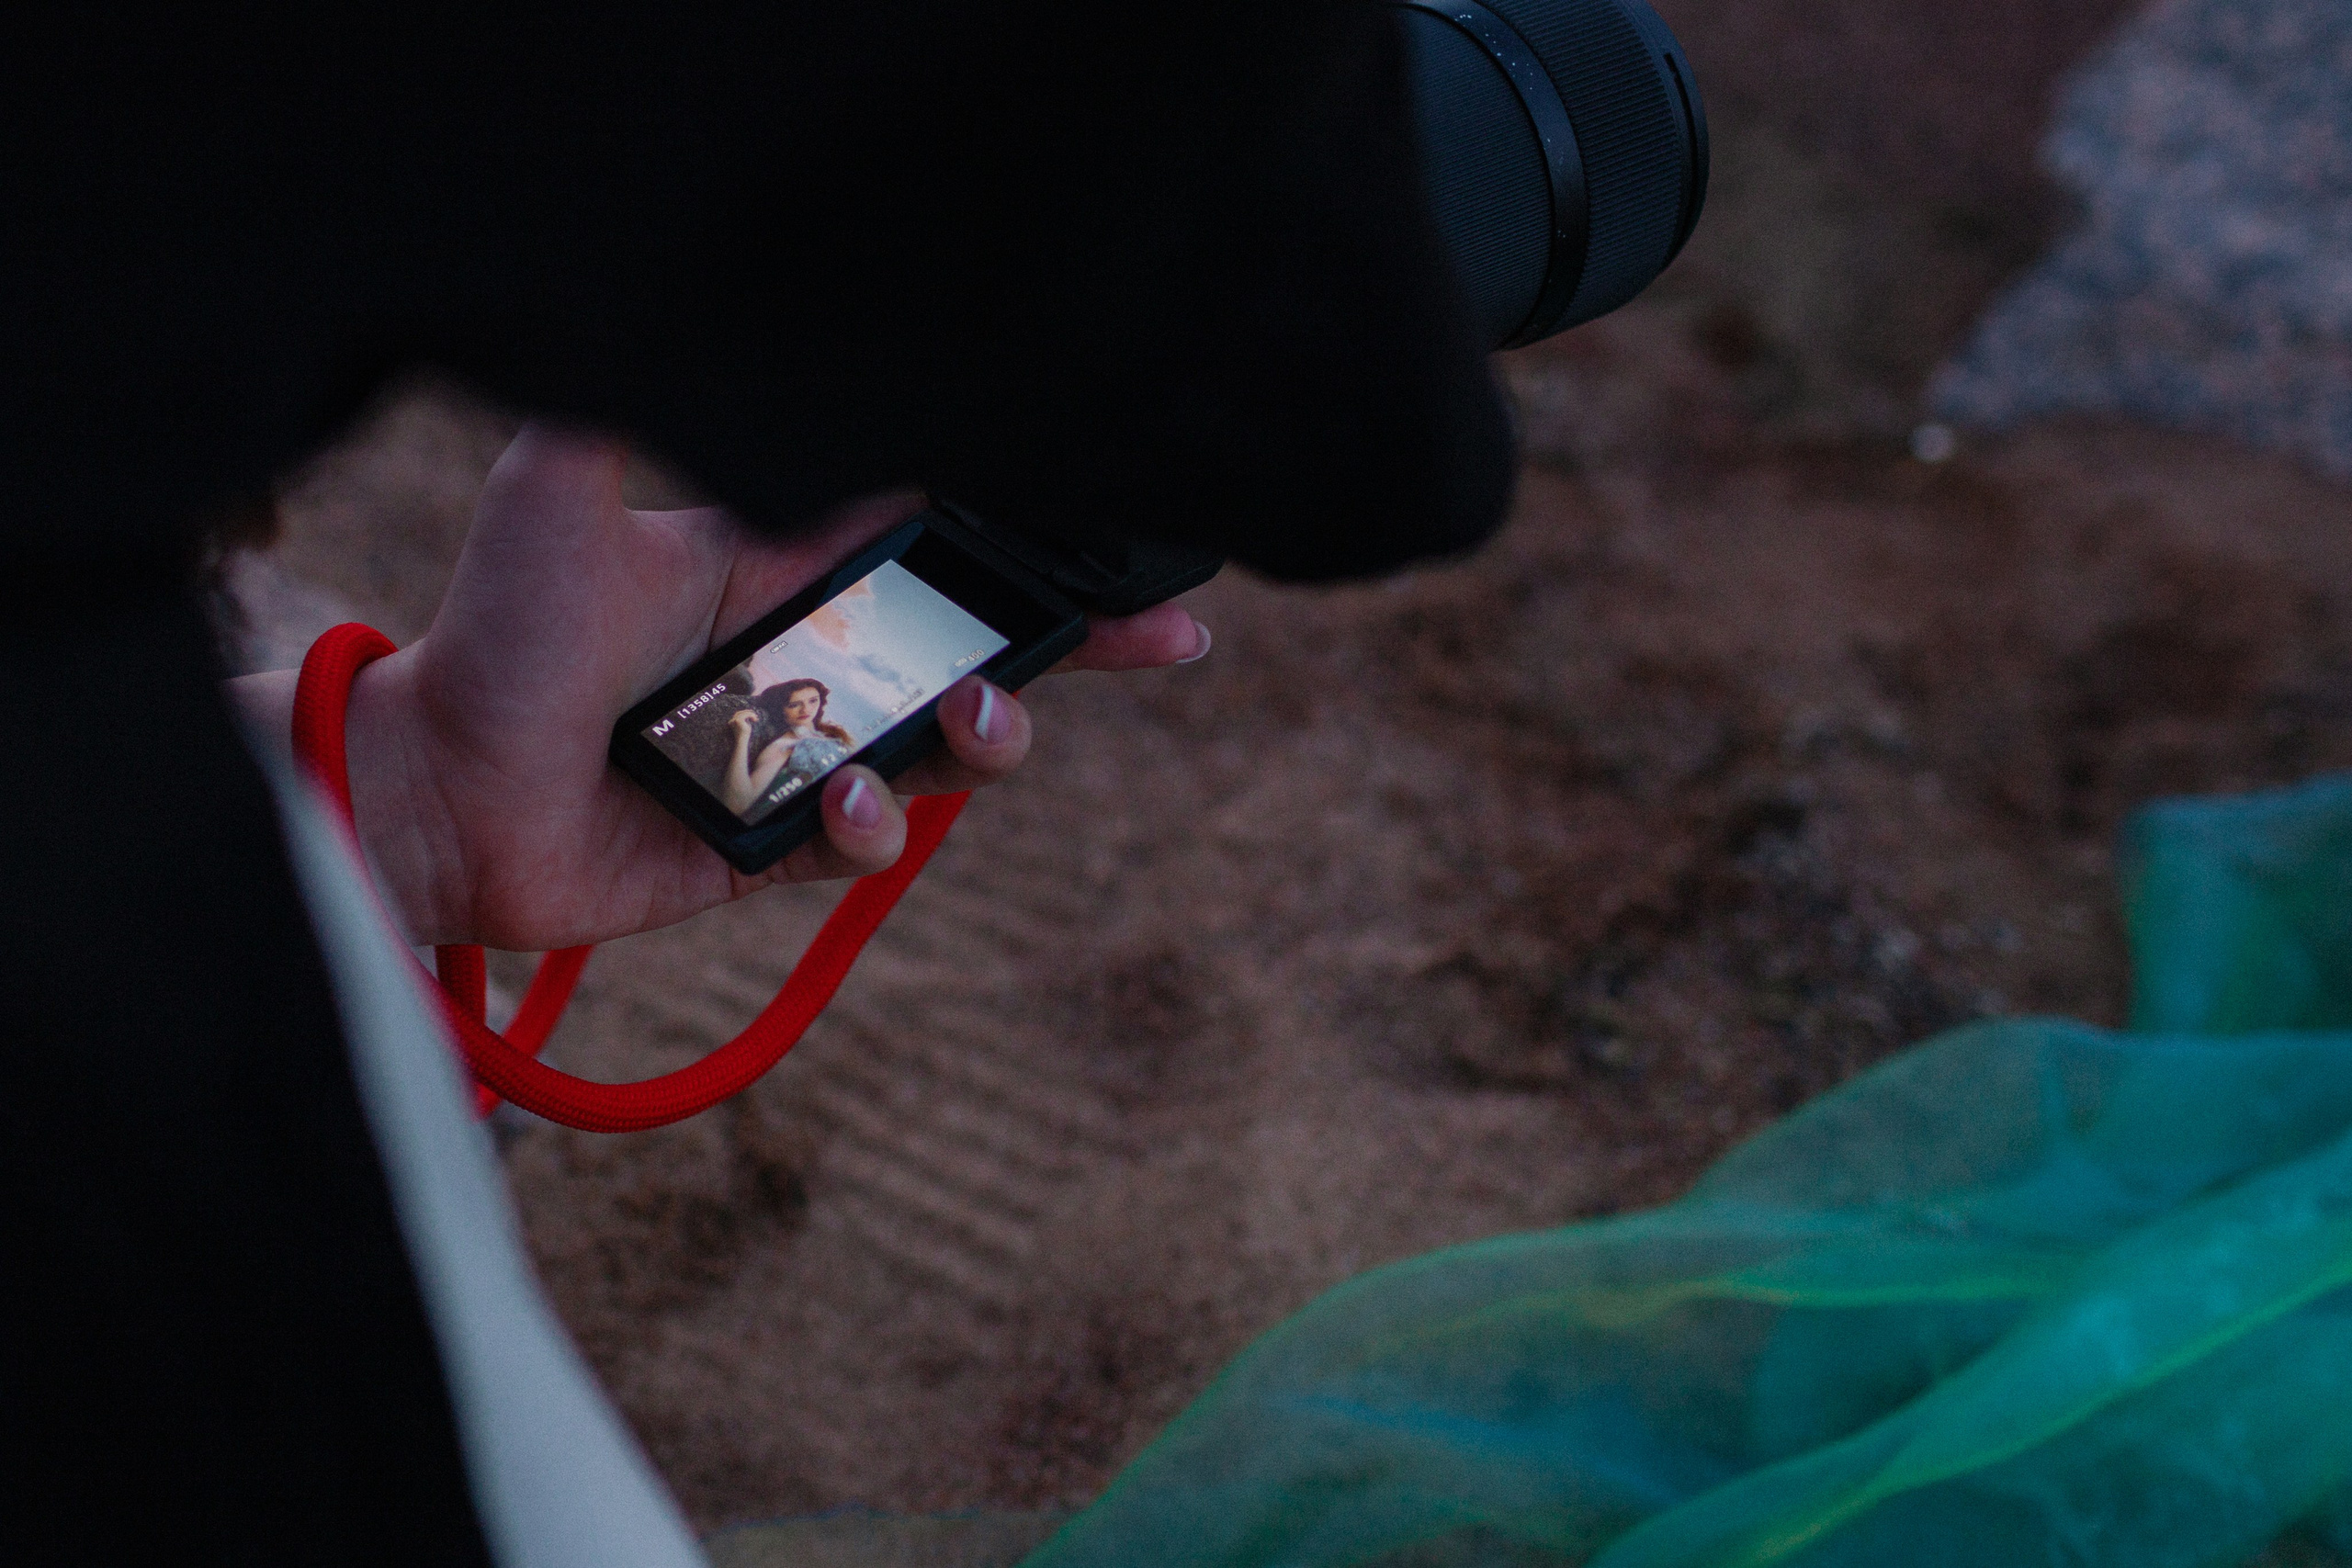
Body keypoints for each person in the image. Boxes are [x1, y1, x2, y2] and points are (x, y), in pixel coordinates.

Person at [721, 677, 855, 817]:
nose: (806, 709)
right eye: (794, 705)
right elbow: (736, 805)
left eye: (813, 700)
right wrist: (742, 737)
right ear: (781, 710)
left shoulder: (829, 733)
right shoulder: (784, 745)